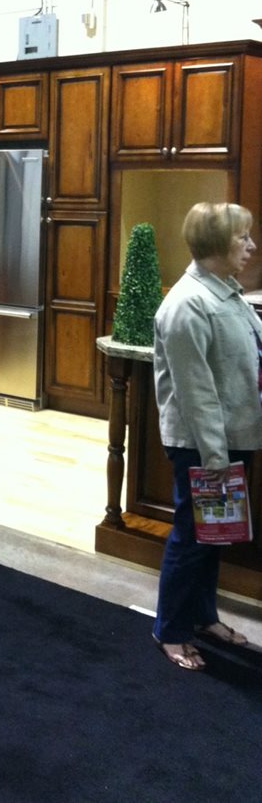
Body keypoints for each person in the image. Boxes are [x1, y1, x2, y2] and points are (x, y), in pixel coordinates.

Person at [152, 201, 262, 670]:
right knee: (193, 535)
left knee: (213, 535)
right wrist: (216, 458)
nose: (251, 247)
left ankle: (203, 617)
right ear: (217, 244)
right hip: (202, 444)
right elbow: (196, 394)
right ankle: (170, 629)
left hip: (232, 435)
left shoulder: (225, 292)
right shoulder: (186, 305)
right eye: (243, 238)